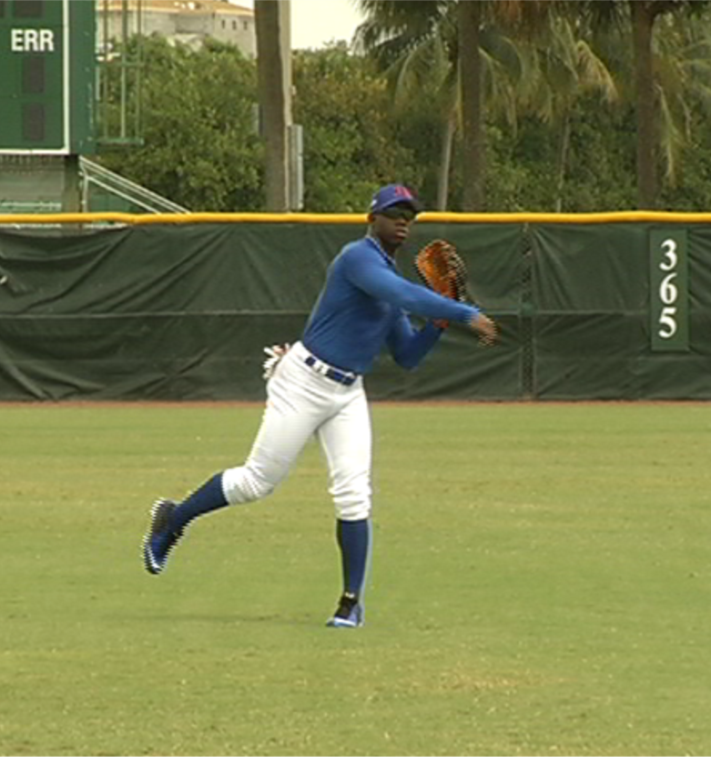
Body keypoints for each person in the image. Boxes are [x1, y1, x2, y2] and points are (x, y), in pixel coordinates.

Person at [142, 184, 498, 628]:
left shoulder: (391, 285)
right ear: (372, 218)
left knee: (354, 494)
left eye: (409, 217)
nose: (403, 222)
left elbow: (407, 356)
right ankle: (174, 519)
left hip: (347, 393)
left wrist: (440, 323)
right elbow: (406, 295)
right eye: (394, 214)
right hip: (303, 382)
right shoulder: (358, 259)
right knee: (256, 482)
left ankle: (351, 603)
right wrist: (464, 312)